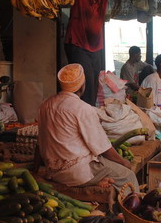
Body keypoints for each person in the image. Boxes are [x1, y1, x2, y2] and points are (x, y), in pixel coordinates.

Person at [35, 64, 138, 192]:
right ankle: (125, 210)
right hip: (77, 173)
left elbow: (40, 143)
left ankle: (101, 180)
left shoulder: (45, 105)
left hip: (53, 171)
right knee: (128, 175)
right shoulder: (83, 109)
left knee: (110, 168)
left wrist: (34, 170)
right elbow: (102, 148)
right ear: (82, 85)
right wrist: (123, 162)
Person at [65, 0, 127, 106]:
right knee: (85, 81)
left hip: (96, 48)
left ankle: (89, 111)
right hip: (77, 45)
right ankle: (85, 113)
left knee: (95, 81)